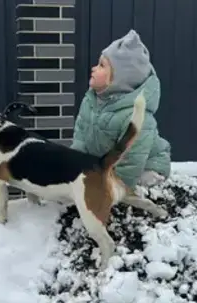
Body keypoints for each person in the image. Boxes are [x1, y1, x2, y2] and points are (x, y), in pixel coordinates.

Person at [71, 29, 171, 189]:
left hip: (145, 167)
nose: (94, 68)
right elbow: (81, 135)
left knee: (137, 189)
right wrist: (76, 165)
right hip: (108, 164)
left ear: (120, 79)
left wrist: (116, 189)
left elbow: (132, 160)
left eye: (101, 65)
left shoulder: (136, 116)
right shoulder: (90, 100)